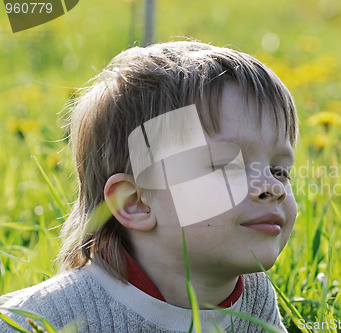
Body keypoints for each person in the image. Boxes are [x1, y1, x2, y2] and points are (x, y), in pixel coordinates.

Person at [0, 41, 298, 332]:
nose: (272, 186)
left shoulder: (255, 298)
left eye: (279, 170)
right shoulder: (48, 319)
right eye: (226, 166)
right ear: (136, 202)